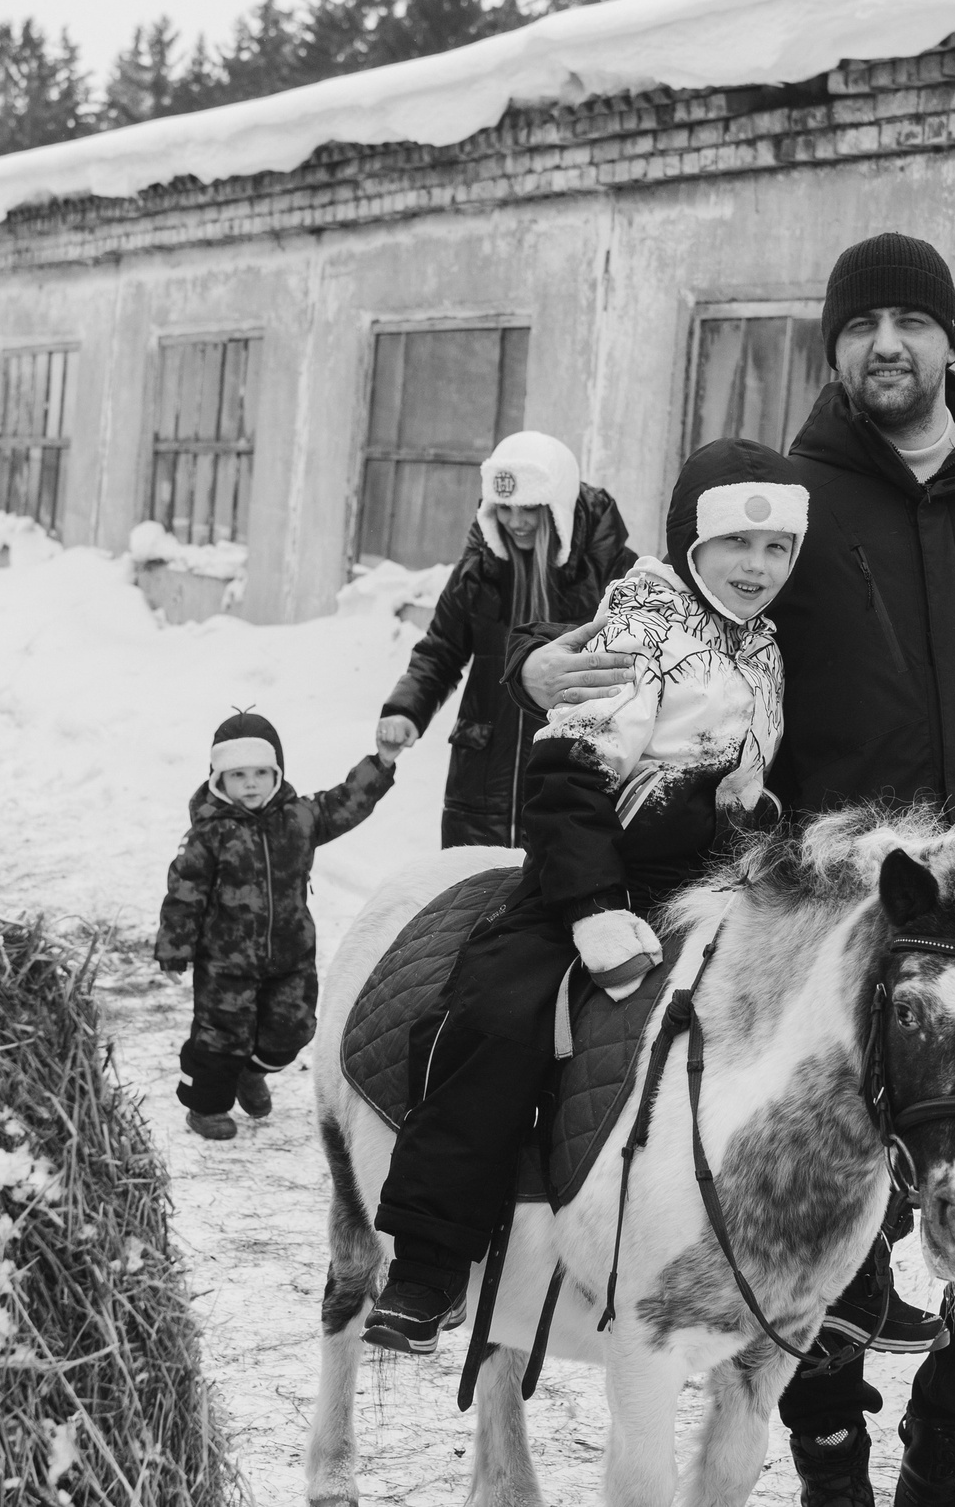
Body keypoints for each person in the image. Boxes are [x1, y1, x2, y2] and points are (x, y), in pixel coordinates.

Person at [511, 232, 955, 1507]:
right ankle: (826, 1452)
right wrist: (539, 655)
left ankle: (952, 1448)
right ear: (835, 348)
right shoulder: (789, 504)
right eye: (862, 327)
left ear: (952, 340)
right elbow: (666, 618)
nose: (887, 345)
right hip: (833, 932)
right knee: (811, 1219)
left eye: (912, 322)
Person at [366, 439, 897, 1355]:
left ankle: (840, 1271)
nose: (758, 567)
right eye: (737, 544)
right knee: (501, 1008)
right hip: (594, 878)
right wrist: (587, 907)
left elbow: (727, 769)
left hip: (709, 886)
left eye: (776, 552)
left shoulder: (762, 645)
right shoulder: (642, 626)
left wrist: (749, 806)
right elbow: (569, 775)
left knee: (820, 1026)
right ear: (692, 541)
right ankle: (430, 1258)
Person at [376, 431, 637, 849]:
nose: (516, 522)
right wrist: (407, 709)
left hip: (571, 777)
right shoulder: (479, 569)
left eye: (531, 508)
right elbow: (441, 650)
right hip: (482, 780)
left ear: (559, 507)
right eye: (505, 508)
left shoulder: (610, 571)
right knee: (472, 899)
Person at [155, 710, 401, 1140]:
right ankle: (206, 1107)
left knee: (294, 1029)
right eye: (238, 775)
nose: (250, 783)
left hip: (290, 957)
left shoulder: (300, 818)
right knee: (220, 1039)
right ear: (218, 779)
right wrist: (176, 948)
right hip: (225, 965)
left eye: (260, 773)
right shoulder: (208, 835)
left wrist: (380, 762)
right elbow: (184, 893)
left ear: (277, 773)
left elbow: (346, 801)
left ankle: (252, 1072)